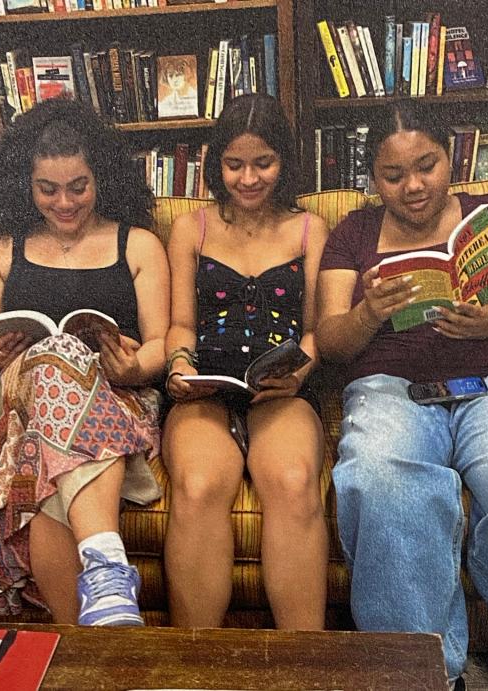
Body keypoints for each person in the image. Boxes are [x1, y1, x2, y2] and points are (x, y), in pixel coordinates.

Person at [315, 101, 488, 690]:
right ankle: (422, 680)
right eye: (394, 176)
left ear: (451, 158)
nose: (414, 187)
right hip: (394, 387)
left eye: (427, 166)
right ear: (371, 179)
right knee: (383, 482)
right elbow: (331, 340)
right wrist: (369, 312)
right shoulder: (354, 235)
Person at [0, 98, 170, 627]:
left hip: (117, 399)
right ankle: (106, 564)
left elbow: (159, 346)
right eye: (49, 189)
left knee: (46, 494)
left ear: (101, 179)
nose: (65, 203)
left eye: (78, 186)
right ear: (27, 185)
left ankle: (86, 646)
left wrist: (133, 368)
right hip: (19, 405)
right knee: (53, 354)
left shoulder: (140, 245)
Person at [163, 93, 329, 629]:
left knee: (296, 479)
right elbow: (182, 325)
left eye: (264, 163)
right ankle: (196, 668)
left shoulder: (310, 228)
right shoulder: (192, 228)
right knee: (197, 484)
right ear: (216, 164)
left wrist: (301, 368)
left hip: (281, 388)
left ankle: (303, 666)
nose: (249, 178)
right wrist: (180, 367)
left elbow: (316, 328)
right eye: (235, 165)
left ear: (285, 161)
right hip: (207, 390)